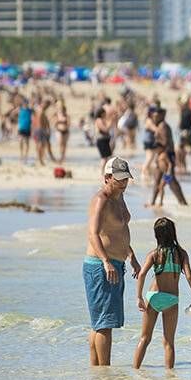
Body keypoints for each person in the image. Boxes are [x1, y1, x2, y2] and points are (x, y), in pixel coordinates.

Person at [83, 157, 142, 366]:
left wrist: (131, 256)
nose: (123, 183)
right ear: (107, 177)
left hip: (117, 264)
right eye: (119, 179)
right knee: (104, 325)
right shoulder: (102, 199)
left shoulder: (120, 197)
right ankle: (105, 374)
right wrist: (106, 261)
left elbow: (119, 232)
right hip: (100, 266)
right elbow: (93, 234)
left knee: (101, 323)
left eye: (125, 179)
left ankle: (97, 375)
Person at [133, 217, 191, 369]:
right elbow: (190, 276)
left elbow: (142, 274)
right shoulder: (182, 254)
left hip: (154, 296)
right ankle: (169, 378)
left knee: (145, 338)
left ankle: (135, 372)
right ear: (173, 233)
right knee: (168, 342)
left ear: (156, 235)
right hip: (171, 300)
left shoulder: (154, 254)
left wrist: (138, 296)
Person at [17, 98, 33, 163]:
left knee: (27, 143)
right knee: (20, 141)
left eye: (26, 103)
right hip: (21, 128)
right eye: (24, 103)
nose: (25, 104)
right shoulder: (20, 110)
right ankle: (21, 155)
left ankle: (26, 156)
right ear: (23, 104)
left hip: (28, 128)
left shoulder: (30, 110)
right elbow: (12, 114)